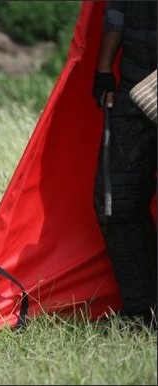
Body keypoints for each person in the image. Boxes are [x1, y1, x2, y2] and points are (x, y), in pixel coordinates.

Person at [91, 1, 157, 329]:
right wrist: (104, 70)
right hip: (135, 89)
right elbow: (117, 12)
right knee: (116, 201)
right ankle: (141, 312)